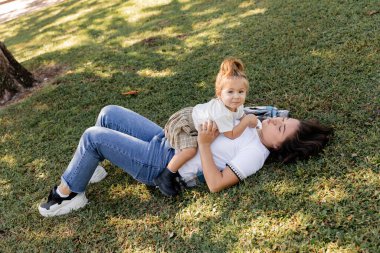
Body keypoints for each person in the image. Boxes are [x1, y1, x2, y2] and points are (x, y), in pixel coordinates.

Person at [38, 105, 332, 217]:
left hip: (161, 163)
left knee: (93, 137)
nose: (275, 123)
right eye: (283, 121)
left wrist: (204, 144)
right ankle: (90, 169)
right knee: (108, 114)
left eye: (280, 128)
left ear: (280, 147)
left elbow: (216, 184)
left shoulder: (256, 154)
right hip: (171, 139)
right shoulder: (257, 125)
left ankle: (68, 195)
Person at [155, 58, 258, 196]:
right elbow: (231, 134)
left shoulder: (236, 106)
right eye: (230, 92)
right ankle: (165, 176)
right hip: (185, 123)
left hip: (193, 121)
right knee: (190, 151)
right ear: (219, 93)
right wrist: (247, 121)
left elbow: (241, 115)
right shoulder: (221, 113)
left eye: (241, 92)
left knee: (192, 148)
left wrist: (247, 118)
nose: (236, 97)